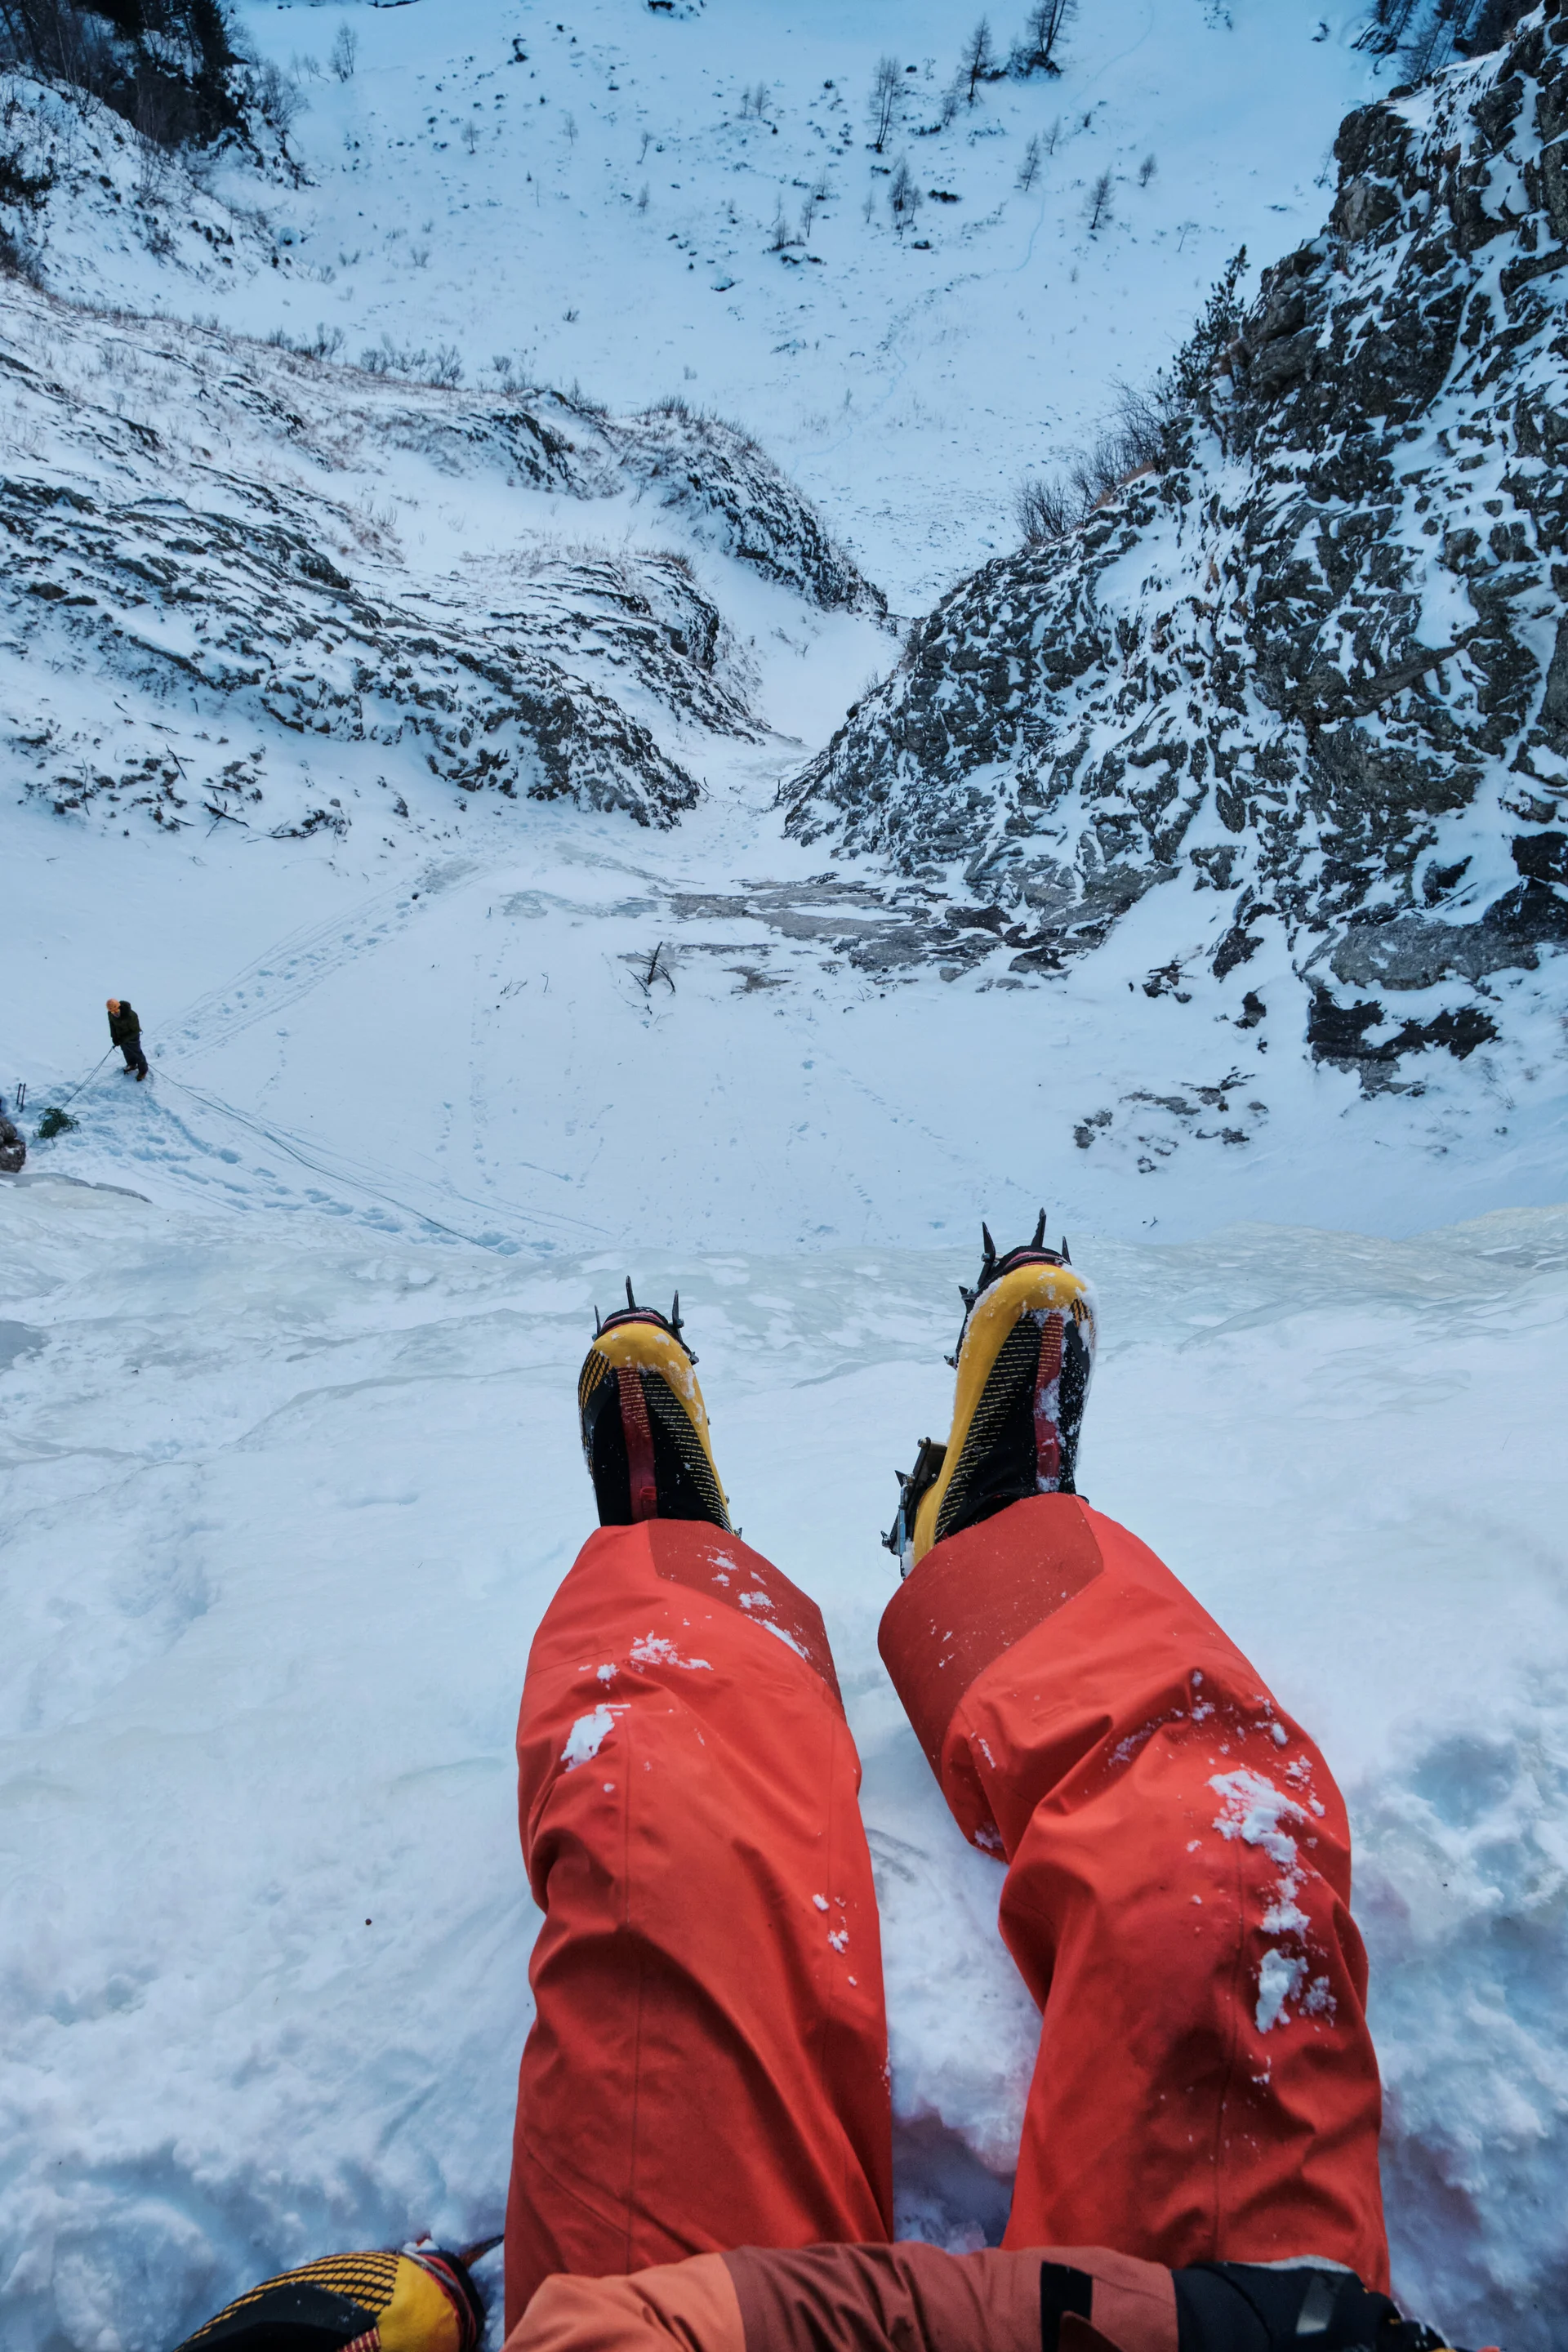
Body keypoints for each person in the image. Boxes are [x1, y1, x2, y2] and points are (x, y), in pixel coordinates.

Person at [172, 1227, 1482, 2352]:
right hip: (1230, 2318)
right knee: (1224, 1853)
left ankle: (677, 1571)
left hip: (671, 2322)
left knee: (663, 1858)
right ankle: (1001, 1541)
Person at [107, 996, 148, 1080]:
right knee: (126, 1051)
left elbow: (135, 1031)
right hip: (121, 1037)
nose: (115, 1013)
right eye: (113, 1012)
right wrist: (114, 1038)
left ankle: (143, 1070)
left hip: (133, 1036)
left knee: (137, 1052)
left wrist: (123, 1039)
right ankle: (132, 1064)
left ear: (120, 1008)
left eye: (117, 1011)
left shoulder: (131, 1015)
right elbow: (112, 1026)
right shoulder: (110, 1014)